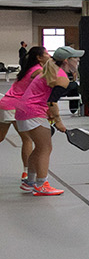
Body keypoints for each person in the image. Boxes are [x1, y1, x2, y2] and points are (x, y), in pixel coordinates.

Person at [0, 46, 74, 196]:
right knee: (44, 147)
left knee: (38, 147)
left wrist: (50, 114)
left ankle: (30, 182)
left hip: (19, 109)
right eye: (76, 59)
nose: (78, 61)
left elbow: (42, 94)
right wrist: (58, 121)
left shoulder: (44, 70)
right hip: (29, 110)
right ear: (66, 61)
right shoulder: (53, 74)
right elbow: (52, 102)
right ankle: (42, 184)